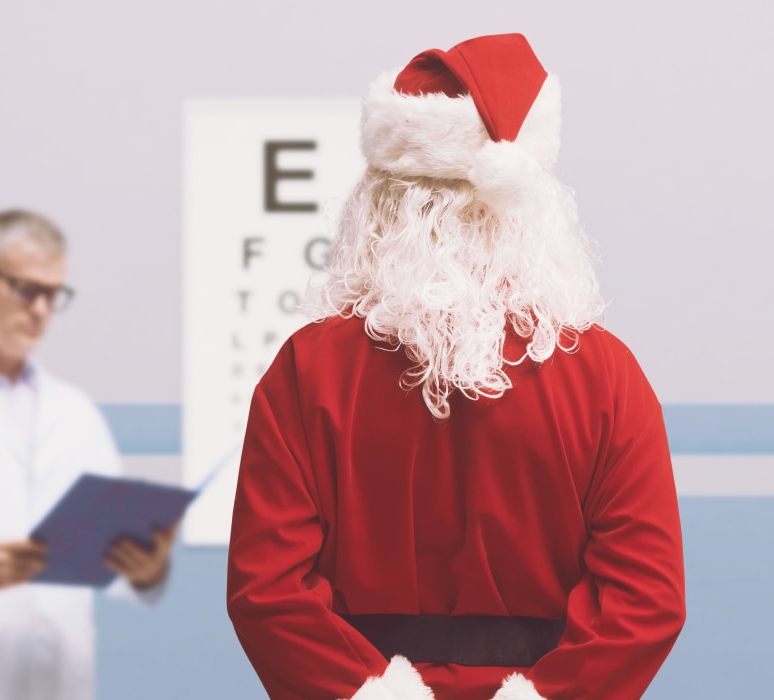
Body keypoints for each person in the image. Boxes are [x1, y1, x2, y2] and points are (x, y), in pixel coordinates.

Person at [227, 34, 685, 700]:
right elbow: (645, 601)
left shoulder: (306, 371)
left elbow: (266, 592)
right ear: (526, 205)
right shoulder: (607, 378)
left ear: (380, 205)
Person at [0, 209, 176, 700]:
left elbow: (107, 550)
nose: (40, 310)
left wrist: (147, 569)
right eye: (26, 289)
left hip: (61, 680)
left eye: (53, 295)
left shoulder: (75, 413)